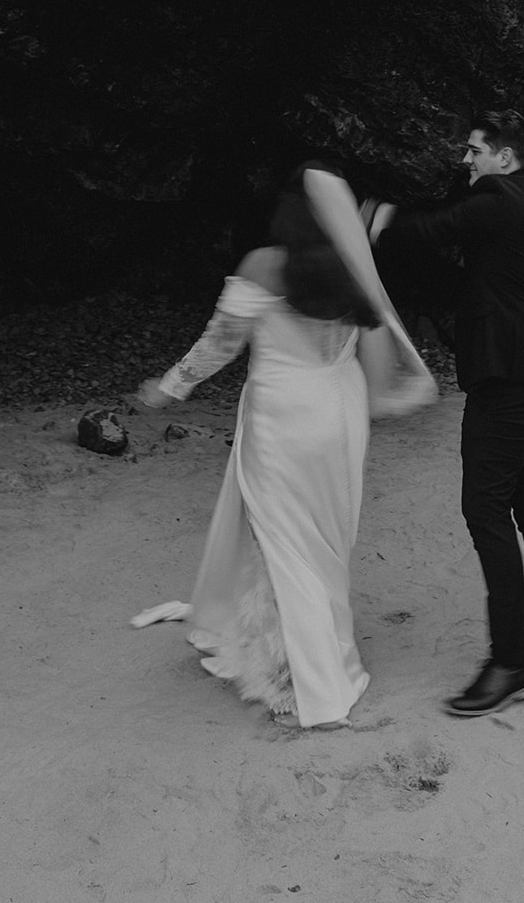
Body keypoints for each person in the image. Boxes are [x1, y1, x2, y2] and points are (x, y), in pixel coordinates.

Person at [131, 163, 435, 730]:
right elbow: (376, 369)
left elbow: (220, 343)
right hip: (340, 413)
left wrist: (169, 388)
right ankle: (320, 648)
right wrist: (389, 399)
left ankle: (301, 682)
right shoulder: (353, 270)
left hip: (283, 415)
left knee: (282, 542)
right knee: (323, 540)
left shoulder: (264, 265)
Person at [370, 109, 524, 719]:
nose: (466, 161)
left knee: (485, 510)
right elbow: (488, 277)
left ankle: (510, 663)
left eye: (474, 150)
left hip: (507, 379)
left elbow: (432, 229)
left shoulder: (496, 199)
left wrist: (375, 220)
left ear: (504, 157)